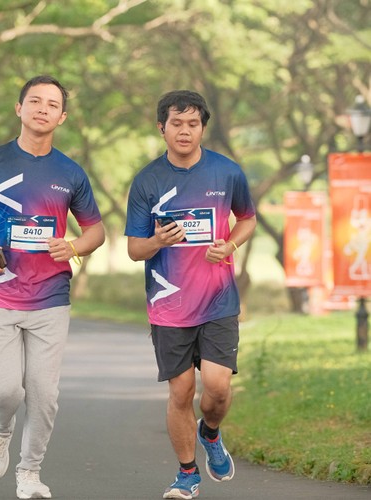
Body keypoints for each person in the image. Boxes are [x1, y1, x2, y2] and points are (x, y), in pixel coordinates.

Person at [0, 75, 105, 499]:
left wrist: (73, 246)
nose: (42, 109)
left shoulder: (70, 173)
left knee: (45, 396)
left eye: (52, 104)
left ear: (62, 117)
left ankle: (29, 472)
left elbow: (96, 231)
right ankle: (0, 431)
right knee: (5, 390)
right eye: (35, 101)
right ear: (19, 108)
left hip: (50, 299)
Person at [125, 90, 256, 500]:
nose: (185, 131)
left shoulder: (227, 172)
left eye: (193, 124)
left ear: (202, 128)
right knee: (180, 392)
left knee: (217, 388)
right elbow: (134, 249)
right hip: (169, 305)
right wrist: (158, 241)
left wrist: (230, 245)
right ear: (161, 128)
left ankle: (210, 433)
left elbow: (247, 219)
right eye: (177, 124)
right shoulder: (147, 181)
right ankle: (187, 473)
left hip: (218, 299)